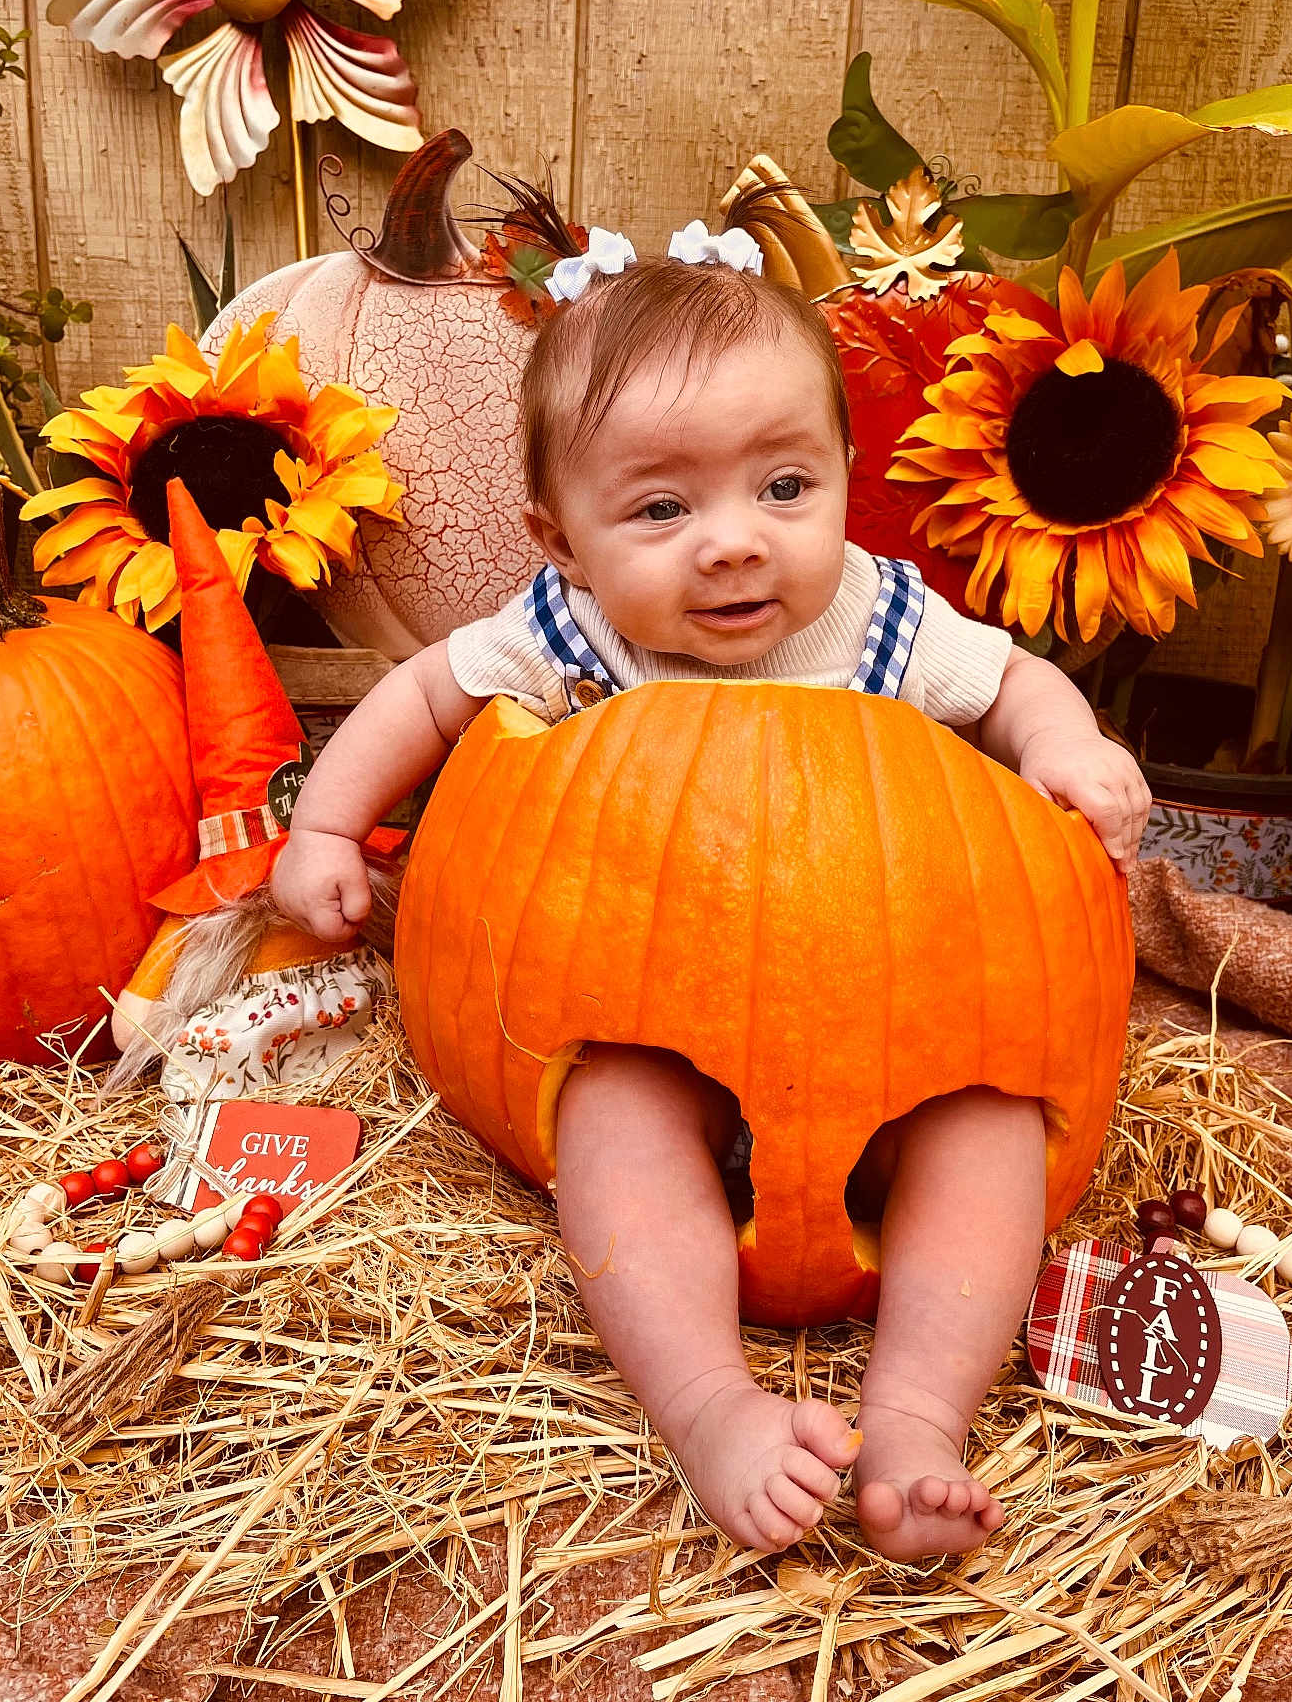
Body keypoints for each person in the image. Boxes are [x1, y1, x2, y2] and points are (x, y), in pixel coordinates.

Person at [272, 227, 1150, 1562]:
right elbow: (425, 694)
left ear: (848, 484)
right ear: (558, 540)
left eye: (784, 485)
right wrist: (330, 825)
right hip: (654, 1026)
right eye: (662, 510)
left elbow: (1015, 685)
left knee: (994, 1132)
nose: (733, 545)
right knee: (609, 1119)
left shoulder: (881, 619)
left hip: (904, 1033)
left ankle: (916, 1420)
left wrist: (1069, 749)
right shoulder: (571, 634)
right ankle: (708, 1406)